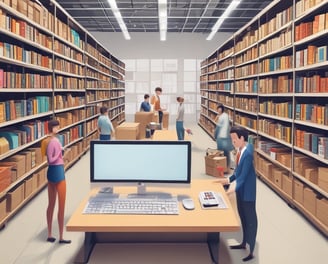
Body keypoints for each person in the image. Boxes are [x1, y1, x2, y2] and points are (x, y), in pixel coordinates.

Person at [215, 126, 257, 262]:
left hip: (247, 193)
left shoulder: (247, 154)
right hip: (241, 191)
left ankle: (251, 251)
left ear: (241, 138)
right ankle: (243, 243)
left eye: (234, 139)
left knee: (250, 220)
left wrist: (230, 190)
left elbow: (243, 177)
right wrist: (227, 180)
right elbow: (237, 173)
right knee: (242, 217)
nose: (232, 142)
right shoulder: (240, 151)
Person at [41, 119, 71, 244]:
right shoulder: (55, 141)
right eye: (57, 127)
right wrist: (61, 151)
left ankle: (49, 234)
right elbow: (52, 160)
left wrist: (61, 154)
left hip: (50, 173)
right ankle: (61, 237)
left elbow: (49, 161)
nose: (58, 129)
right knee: (61, 205)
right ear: (52, 128)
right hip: (58, 172)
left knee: (51, 204)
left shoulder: (46, 141)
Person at [214, 104, 233, 170]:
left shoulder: (223, 116)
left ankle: (225, 166)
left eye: (220, 109)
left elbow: (218, 127)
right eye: (218, 109)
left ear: (222, 109)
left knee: (223, 151)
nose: (219, 110)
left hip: (223, 136)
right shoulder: (224, 116)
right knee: (225, 151)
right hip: (224, 136)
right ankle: (226, 166)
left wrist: (215, 135)